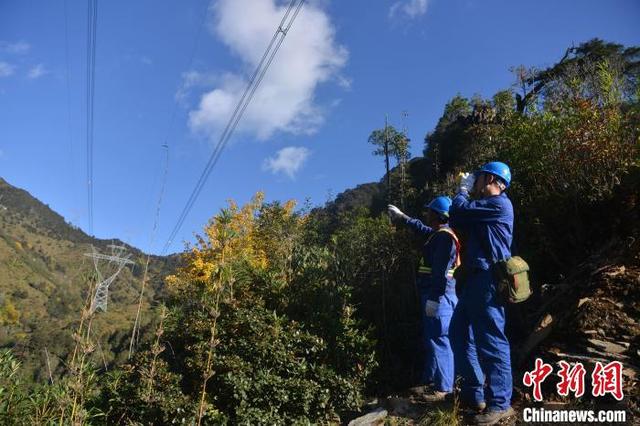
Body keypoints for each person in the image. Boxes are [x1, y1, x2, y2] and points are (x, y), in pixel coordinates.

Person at [449, 161, 515, 425]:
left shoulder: (499, 204)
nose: (474, 183)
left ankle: (500, 403)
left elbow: (458, 210)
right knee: (458, 332)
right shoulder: (487, 208)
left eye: (477, 178)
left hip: (488, 279)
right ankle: (474, 394)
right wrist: (464, 194)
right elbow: (458, 216)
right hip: (475, 280)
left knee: (491, 340)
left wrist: (462, 191)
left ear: (489, 178)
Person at [388, 196, 460, 401]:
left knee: (440, 338)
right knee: (433, 339)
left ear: (438, 215)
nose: (426, 214)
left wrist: (435, 298)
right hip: (435, 294)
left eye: (430, 211)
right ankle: (431, 381)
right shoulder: (438, 234)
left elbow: (440, 272)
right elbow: (422, 229)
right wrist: (403, 218)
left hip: (440, 295)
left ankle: (444, 388)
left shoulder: (445, 238)